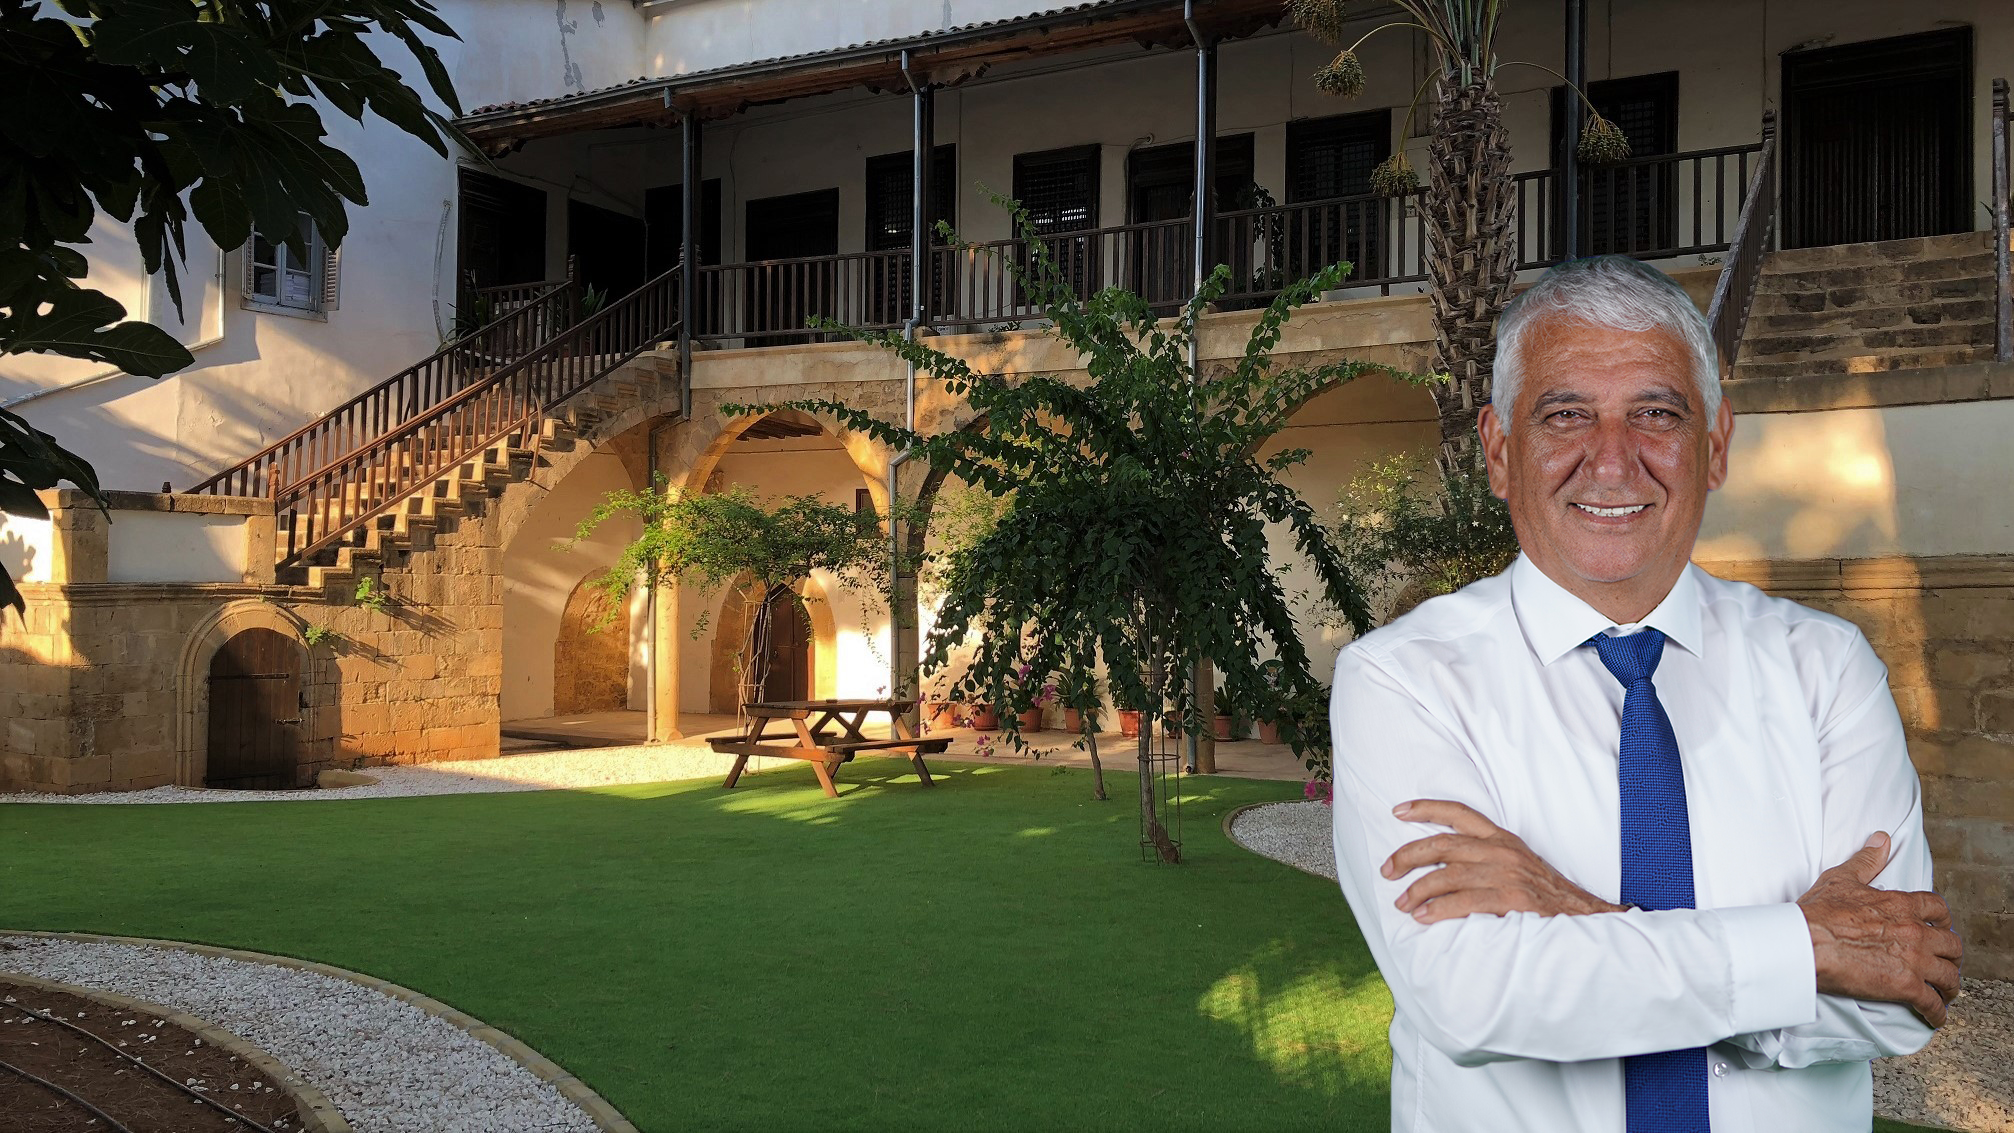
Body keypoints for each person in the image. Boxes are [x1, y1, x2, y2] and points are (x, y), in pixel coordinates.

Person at [1327, 255, 1962, 1133]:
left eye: (1656, 413)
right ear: (1500, 451)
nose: (1613, 460)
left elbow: (1902, 990)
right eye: (1566, 414)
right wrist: (1807, 947)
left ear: (1717, 444)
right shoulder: (1403, 678)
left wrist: (1575, 913)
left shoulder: (1828, 670)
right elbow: (1473, 997)